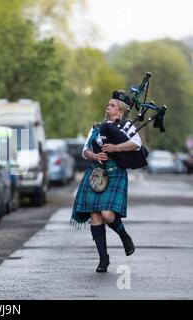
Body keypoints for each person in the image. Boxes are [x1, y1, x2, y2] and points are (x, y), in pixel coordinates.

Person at [71, 91, 141, 273]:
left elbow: (137, 143)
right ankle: (103, 259)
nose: (107, 108)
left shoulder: (126, 126)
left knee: (107, 214)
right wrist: (94, 154)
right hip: (96, 172)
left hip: (115, 172)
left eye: (112, 105)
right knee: (95, 216)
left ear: (121, 110)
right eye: (108, 105)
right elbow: (85, 149)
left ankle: (124, 236)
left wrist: (116, 147)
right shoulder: (97, 127)